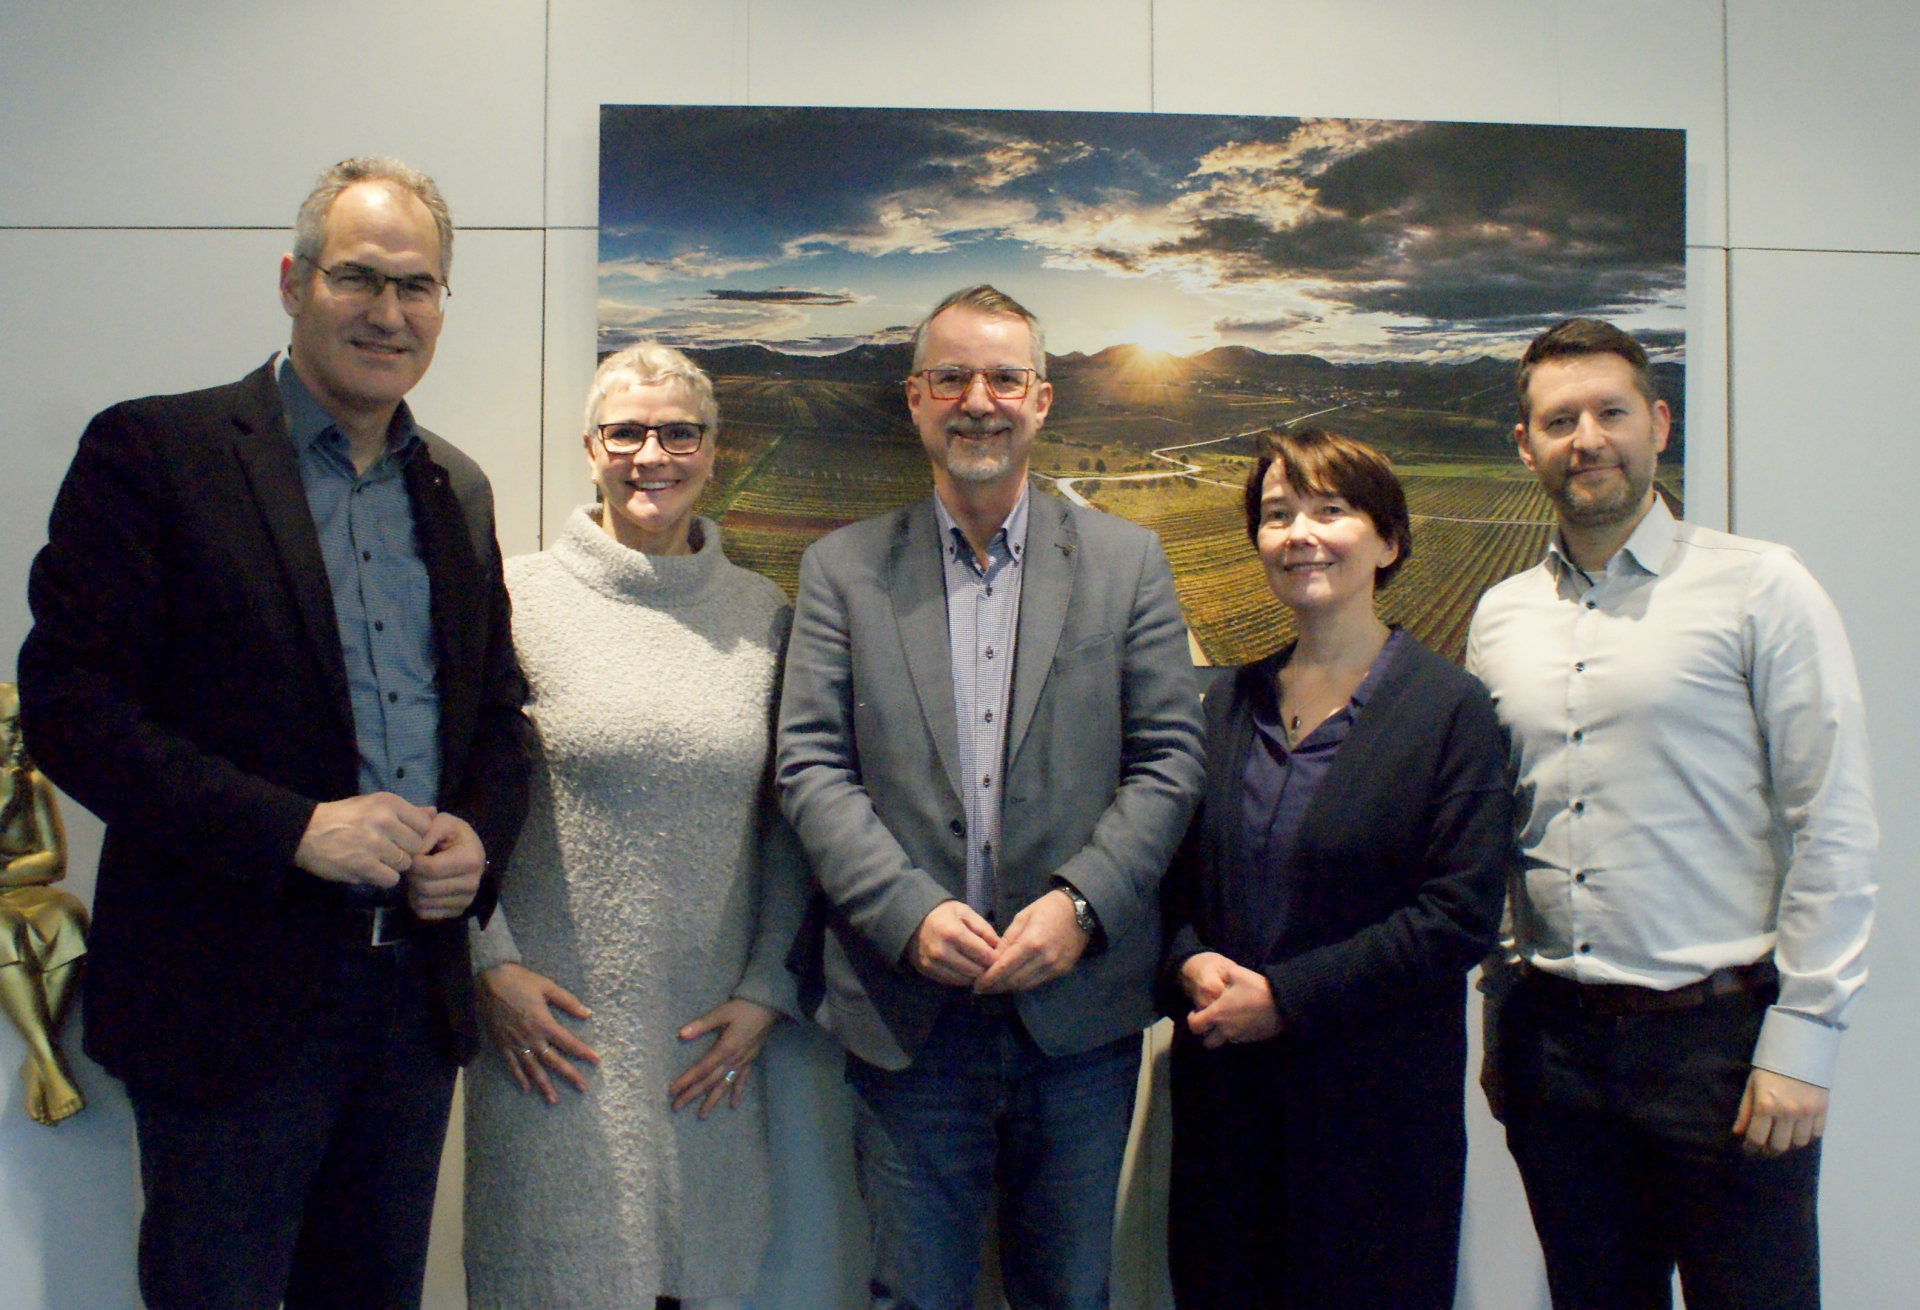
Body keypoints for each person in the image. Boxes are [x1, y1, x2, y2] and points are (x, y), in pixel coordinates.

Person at [16, 157, 530, 1310]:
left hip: (409, 1002)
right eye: (359, 277)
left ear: (443, 306)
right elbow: (72, 705)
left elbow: (500, 713)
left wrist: (476, 846)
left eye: (419, 286)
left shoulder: (457, 486)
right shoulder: (156, 454)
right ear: (294, 281)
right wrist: (293, 828)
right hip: (225, 998)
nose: (389, 312)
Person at [776, 284, 1206, 1310]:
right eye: (954, 378)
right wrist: (907, 910)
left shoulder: (1126, 562)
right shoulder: (841, 570)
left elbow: (1170, 758)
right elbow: (810, 764)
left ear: (1042, 399)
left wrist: (1083, 903)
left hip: (1079, 1020)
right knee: (914, 1293)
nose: (980, 400)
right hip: (907, 1015)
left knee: (1069, 1292)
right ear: (916, 398)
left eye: (1004, 377)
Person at [1468, 318, 1877, 1310]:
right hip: (1554, 1052)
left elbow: (1834, 817)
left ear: (1657, 422)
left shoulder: (1760, 586)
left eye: (1610, 412)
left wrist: (1805, 1036)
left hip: (1723, 1048)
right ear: (1527, 444)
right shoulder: (1500, 616)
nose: (1587, 439)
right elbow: (1499, 830)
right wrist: (1499, 1018)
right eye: (1558, 420)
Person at [462, 343, 808, 1309]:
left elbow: (790, 827)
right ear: (590, 448)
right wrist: (487, 965)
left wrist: (768, 987)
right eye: (627, 432)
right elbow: (449, 799)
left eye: (679, 433)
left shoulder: (764, 617)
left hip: (708, 1053)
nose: (651, 454)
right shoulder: (514, 600)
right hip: (549, 1048)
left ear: (713, 453)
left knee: (698, 1283)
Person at [1159, 429, 1510, 1309]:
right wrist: (1186, 961)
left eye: (1330, 510)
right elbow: (1173, 886)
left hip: (1375, 1117)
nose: (1299, 533)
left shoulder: (1450, 709)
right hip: (1227, 1111)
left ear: (1387, 541)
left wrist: (1285, 1000)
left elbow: (1456, 915)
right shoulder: (1224, 702)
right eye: (1277, 515)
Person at [0, 679, 88, 1126]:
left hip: (23, 894)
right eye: (9, 728)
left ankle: (38, 1063)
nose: (19, 739)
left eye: (23, 728)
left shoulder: (32, 783)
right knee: (3, 934)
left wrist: (7, 873)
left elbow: (54, 861)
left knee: (70, 918)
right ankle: (52, 1068)